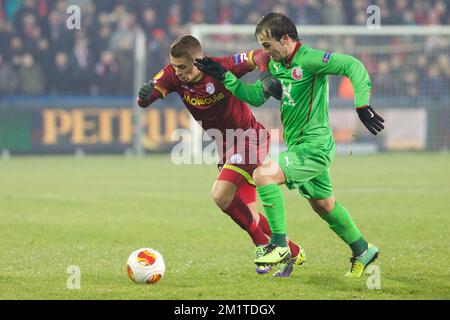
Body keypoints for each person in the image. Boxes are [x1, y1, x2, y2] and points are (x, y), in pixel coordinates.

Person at [194, 12, 384, 278]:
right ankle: (364, 250)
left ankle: (280, 246)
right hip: (297, 146)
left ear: (285, 39)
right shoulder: (276, 66)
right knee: (324, 204)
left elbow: (353, 65)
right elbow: (256, 98)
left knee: (263, 174)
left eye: (267, 45)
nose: (264, 51)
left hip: (314, 146)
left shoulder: (310, 59)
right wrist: (226, 77)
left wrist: (362, 105)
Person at [137, 35, 306, 277]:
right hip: (226, 146)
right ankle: (293, 252)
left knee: (220, 194)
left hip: (249, 138)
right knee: (251, 215)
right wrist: (144, 95)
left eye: (183, 67)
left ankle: (262, 246)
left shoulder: (221, 66)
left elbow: (259, 55)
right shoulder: (171, 75)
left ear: (197, 61)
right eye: (175, 67)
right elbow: (145, 99)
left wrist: (265, 75)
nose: (178, 73)